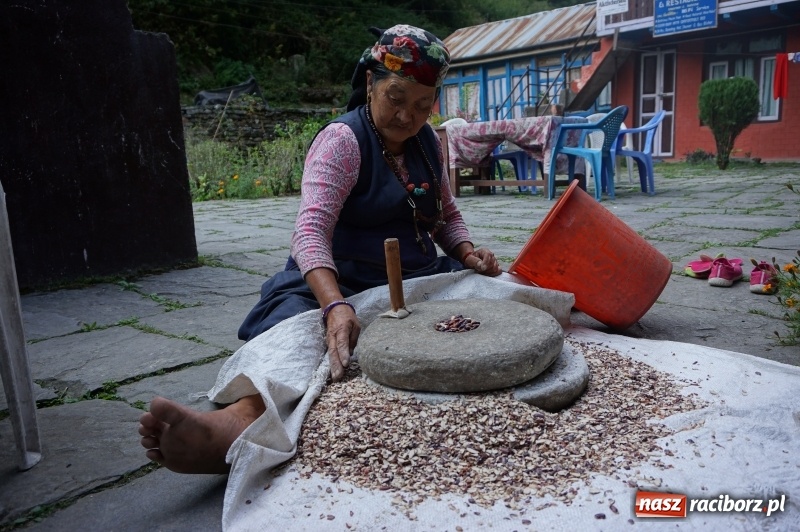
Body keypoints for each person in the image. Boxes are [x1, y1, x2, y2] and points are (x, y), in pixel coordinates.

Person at [138, 24, 501, 474]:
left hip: (416, 279)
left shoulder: (428, 143)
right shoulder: (342, 141)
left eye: (422, 105)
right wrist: (334, 305)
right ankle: (234, 426)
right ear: (370, 83)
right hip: (337, 281)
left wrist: (467, 253)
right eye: (396, 97)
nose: (408, 116)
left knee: (504, 297)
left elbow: (445, 215)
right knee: (300, 339)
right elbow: (309, 234)